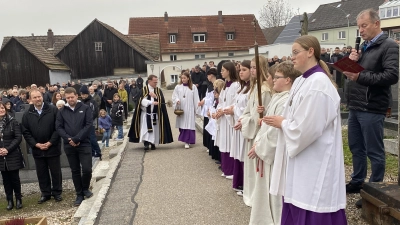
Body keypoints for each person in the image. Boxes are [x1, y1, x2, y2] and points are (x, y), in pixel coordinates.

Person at [266, 35, 347, 224]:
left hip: (315, 160)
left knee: (312, 202)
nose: (291, 57)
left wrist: (283, 124)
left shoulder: (319, 84)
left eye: (296, 52)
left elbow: (308, 129)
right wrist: (285, 122)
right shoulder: (303, 80)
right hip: (302, 160)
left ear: (311, 52)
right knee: (298, 198)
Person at [342, 9, 399, 208]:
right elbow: (355, 72)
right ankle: (358, 182)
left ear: (376, 23)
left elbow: (391, 76)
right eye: (359, 27)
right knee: (356, 147)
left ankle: (375, 189)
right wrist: (352, 62)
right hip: (356, 105)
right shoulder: (364, 47)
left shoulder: (388, 46)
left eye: (364, 25)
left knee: (374, 151)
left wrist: (361, 76)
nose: (361, 30)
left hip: (372, 106)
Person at [248, 61, 301, 225]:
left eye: (277, 77)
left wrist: (260, 147)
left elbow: (276, 132)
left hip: (276, 156)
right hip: (266, 149)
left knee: (275, 194)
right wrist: (258, 140)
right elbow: (267, 125)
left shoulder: (286, 101)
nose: (272, 80)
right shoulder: (278, 97)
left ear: (288, 80)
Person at [237, 56, 273, 203]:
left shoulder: (263, 90)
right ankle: (251, 194)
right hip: (251, 131)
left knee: (257, 167)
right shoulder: (254, 88)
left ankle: (257, 198)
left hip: (258, 133)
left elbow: (263, 115)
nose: (252, 70)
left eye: (254, 67)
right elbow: (248, 112)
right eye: (250, 67)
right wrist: (243, 120)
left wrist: (250, 119)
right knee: (251, 167)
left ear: (262, 68)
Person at [21, 90, 62, 204]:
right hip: (38, 149)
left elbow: (58, 127)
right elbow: (26, 132)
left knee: (56, 172)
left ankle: (57, 193)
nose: (37, 99)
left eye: (39, 96)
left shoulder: (52, 109)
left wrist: (50, 142)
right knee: (41, 173)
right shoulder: (27, 113)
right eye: (34, 97)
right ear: (30, 99)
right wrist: (35, 144)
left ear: (42, 96)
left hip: (52, 147)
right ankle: (45, 193)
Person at [56, 87, 93, 206]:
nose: (70, 99)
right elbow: (59, 127)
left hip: (84, 143)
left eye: (72, 97)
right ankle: (79, 194)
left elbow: (88, 125)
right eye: (68, 98)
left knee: (87, 169)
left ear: (77, 96)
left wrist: (77, 138)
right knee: (75, 170)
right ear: (65, 98)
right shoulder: (62, 111)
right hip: (69, 145)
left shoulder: (85, 108)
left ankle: (85, 188)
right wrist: (69, 139)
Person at [128, 75, 173, 150]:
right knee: (145, 129)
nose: (156, 83)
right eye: (154, 82)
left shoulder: (158, 90)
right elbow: (140, 101)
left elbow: (161, 101)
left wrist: (156, 97)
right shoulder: (143, 90)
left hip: (155, 114)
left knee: (155, 129)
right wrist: (150, 102)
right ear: (149, 81)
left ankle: (153, 143)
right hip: (146, 114)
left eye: (156, 82)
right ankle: (146, 143)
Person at [215, 62, 240, 180]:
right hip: (224, 119)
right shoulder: (225, 85)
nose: (221, 72)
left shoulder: (236, 85)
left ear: (229, 71)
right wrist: (218, 110)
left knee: (230, 143)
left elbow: (236, 103)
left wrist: (224, 110)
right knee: (224, 142)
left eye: (223, 70)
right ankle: (226, 168)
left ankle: (231, 170)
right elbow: (221, 101)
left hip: (230, 119)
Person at [230, 60, 251, 192]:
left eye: (244, 69)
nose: (241, 72)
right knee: (239, 153)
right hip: (238, 123)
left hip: (244, 125)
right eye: (240, 70)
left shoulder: (252, 89)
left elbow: (248, 109)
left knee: (244, 154)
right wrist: (231, 109)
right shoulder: (243, 87)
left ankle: (245, 184)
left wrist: (234, 111)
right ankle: (239, 182)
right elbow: (237, 105)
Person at [0, 102, 23, 210]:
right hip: (1, 156)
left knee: (15, 179)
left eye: (2, 108)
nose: (1, 110)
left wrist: (7, 149)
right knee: (6, 180)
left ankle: (18, 199)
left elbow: (18, 137)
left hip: (12, 154)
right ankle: (9, 200)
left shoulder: (12, 121)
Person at [172, 71, 200, 149]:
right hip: (182, 109)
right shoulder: (178, 87)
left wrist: (197, 110)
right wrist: (177, 100)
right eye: (182, 78)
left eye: (185, 78)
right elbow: (174, 96)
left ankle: (188, 141)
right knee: (182, 125)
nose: (183, 79)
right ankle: (185, 140)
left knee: (189, 125)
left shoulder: (193, 87)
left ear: (188, 78)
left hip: (190, 109)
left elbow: (196, 98)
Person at [198, 68, 218, 153]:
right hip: (208, 109)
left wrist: (205, 101)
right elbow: (208, 96)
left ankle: (212, 147)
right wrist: (203, 100)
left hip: (212, 109)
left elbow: (213, 98)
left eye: (208, 75)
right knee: (207, 127)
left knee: (211, 128)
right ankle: (208, 145)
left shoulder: (216, 84)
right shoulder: (210, 85)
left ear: (211, 75)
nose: (207, 77)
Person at [80, 85, 101, 159]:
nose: (83, 96)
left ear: (87, 94)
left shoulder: (92, 101)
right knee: (87, 139)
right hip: (83, 124)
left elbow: (95, 112)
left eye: (84, 94)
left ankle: (98, 152)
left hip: (90, 123)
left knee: (92, 138)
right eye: (82, 94)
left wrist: (89, 119)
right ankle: (92, 152)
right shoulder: (81, 102)